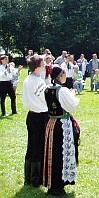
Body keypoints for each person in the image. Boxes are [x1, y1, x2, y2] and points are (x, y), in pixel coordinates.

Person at [42, 66, 80, 196]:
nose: (65, 75)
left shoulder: (47, 88)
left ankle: (51, 183)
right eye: (64, 73)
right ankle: (58, 185)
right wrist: (73, 94)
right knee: (60, 154)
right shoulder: (62, 90)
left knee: (51, 153)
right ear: (60, 76)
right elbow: (72, 105)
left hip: (51, 123)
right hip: (62, 124)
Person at [22, 55, 49, 187]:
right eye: (43, 65)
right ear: (38, 67)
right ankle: (35, 179)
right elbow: (46, 98)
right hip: (39, 116)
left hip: (31, 116)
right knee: (38, 147)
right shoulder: (37, 82)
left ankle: (28, 177)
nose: (45, 67)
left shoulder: (29, 78)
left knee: (31, 146)